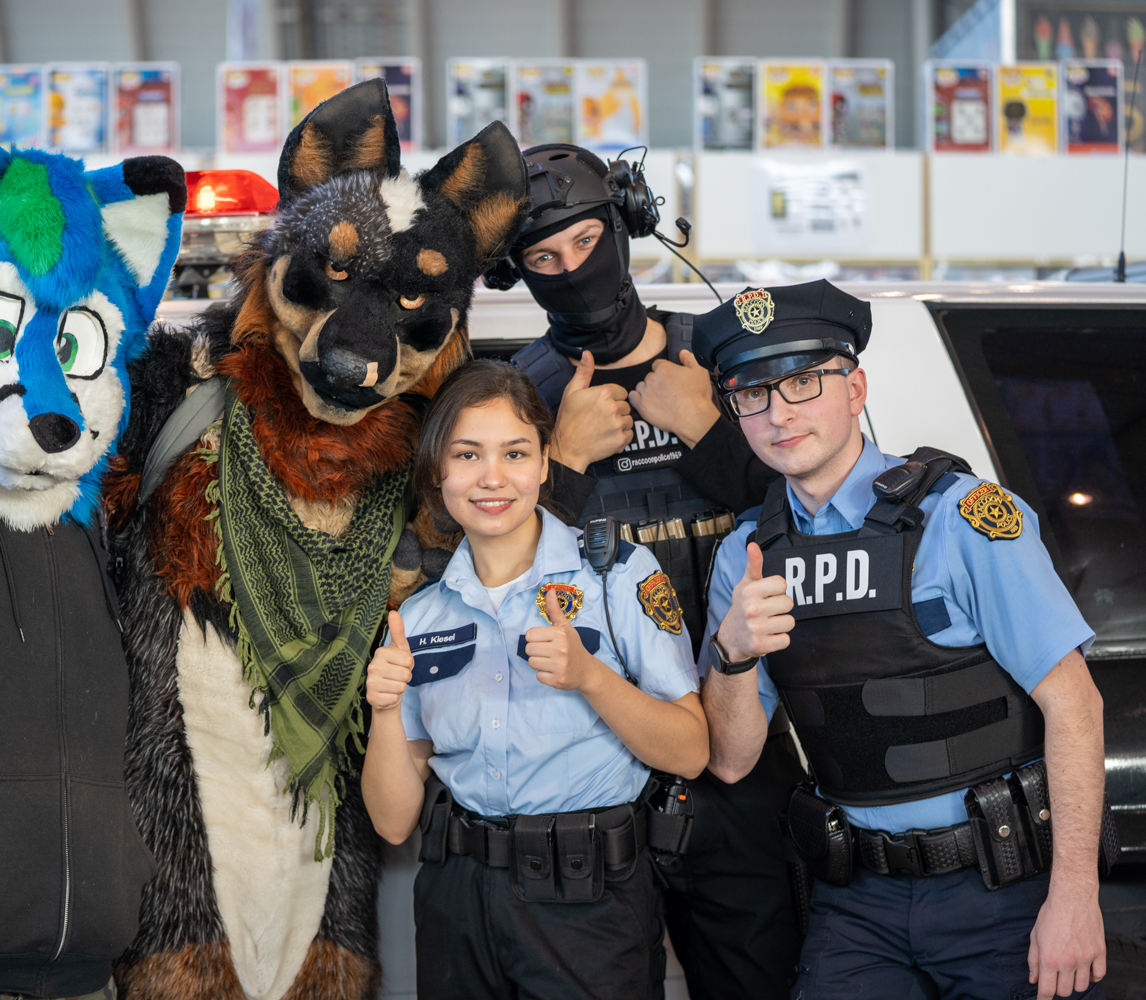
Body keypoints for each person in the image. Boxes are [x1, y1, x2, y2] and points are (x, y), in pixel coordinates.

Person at [698, 279, 1109, 1000]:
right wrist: (734, 655)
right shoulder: (747, 554)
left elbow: (1075, 704)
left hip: (1004, 886)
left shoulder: (962, 518)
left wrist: (1075, 895)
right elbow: (731, 760)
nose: (779, 413)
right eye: (752, 393)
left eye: (802, 382)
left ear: (855, 388)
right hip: (858, 900)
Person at [505, 143, 806, 999]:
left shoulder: (723, 358)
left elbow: (819, 518)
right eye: (543, 259)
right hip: (594, 767)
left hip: (743, 752)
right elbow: (493, 585)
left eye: (586, 241)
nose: (572, 271)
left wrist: (709, 431)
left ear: (626, 228)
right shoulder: (514, 397)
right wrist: (563, 464)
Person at [360, 359, 708, 1000]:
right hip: (457, 902)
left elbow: (690, 751)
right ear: (438, 472)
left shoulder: (617, 576)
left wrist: (591, 678)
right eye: (467, 454)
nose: (492, 477)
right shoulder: (419, 616)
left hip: (588, 901)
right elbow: (392, 822)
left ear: (546, 463)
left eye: (515, 453)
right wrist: (383, 711)